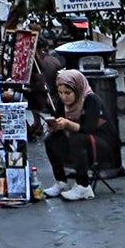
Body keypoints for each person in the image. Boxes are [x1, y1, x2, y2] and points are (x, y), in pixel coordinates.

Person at [37, 66, 118, 201]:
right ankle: (61, 182)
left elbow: (88, 128)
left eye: (68, 93)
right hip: (77, 141)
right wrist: (55, 126)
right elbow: (59, 118)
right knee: (51, 139)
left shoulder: (92, 100)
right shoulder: (62, 102)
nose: (64, 97)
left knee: (78, 138)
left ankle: (83, 186)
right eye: (61, 93)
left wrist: (68, 124)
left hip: (102, 144)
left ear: (78, 89)